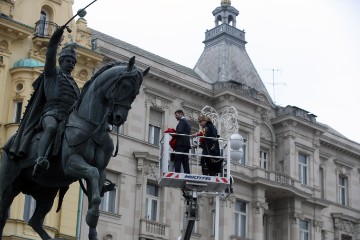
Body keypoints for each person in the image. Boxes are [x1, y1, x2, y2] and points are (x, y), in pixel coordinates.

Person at [31, 25, 80, 176]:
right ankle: (40, 159)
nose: (71, 64)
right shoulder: (52, 73)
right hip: (51, 113)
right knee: (51, 128)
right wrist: (57, 36)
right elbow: (50, 53)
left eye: (73, 62)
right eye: (68, 61)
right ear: (61, 61)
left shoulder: (75, 84)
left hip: (67, 118)